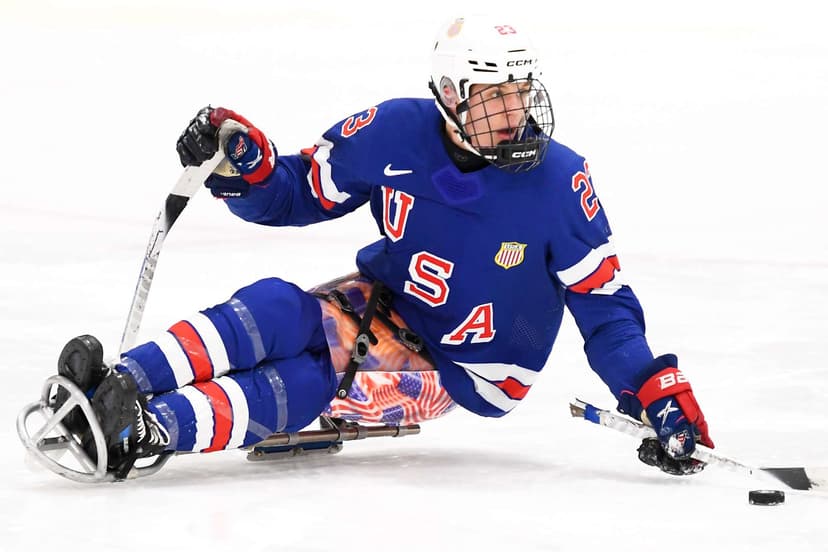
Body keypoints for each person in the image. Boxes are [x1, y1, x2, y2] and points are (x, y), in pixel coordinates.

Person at [54, 15, 713, 480]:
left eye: (521, 93)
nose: (513, 113)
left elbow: (603, 304)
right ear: (451, 97)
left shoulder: (560, 182)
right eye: (493, 97)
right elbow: (292, 194)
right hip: (385, 301)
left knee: (317, 373)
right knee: (274, 307)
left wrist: (651, 386)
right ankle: (119, 385)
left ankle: (147, 428)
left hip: (467, 363)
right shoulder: (393, 133)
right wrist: (247, 170)